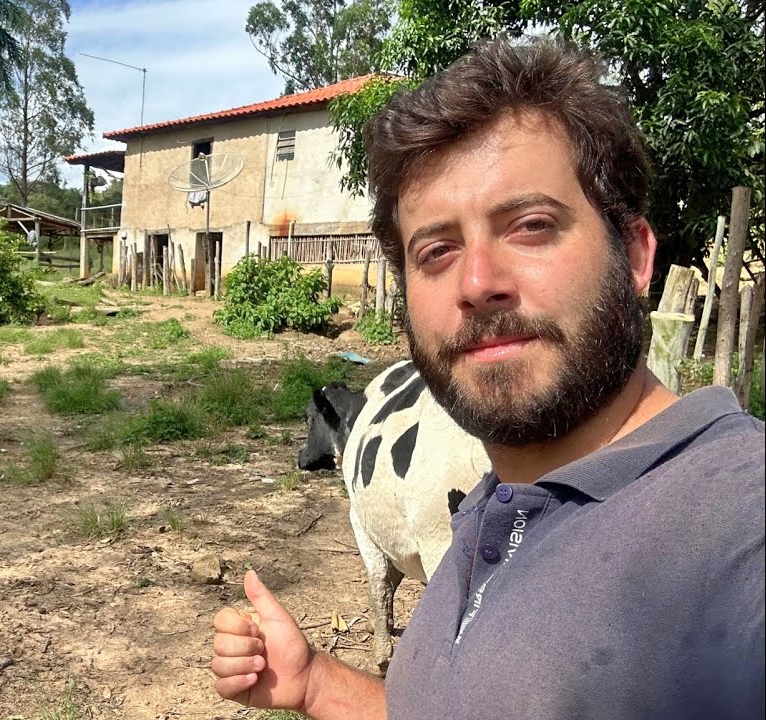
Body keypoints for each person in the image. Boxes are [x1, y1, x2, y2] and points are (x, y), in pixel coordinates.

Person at [210, 37, 765, 720]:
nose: (477, 283)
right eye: (437, 251)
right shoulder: (493, 502)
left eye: (530, 226)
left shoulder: (741, 527)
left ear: (634, 255)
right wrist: (320, 687)